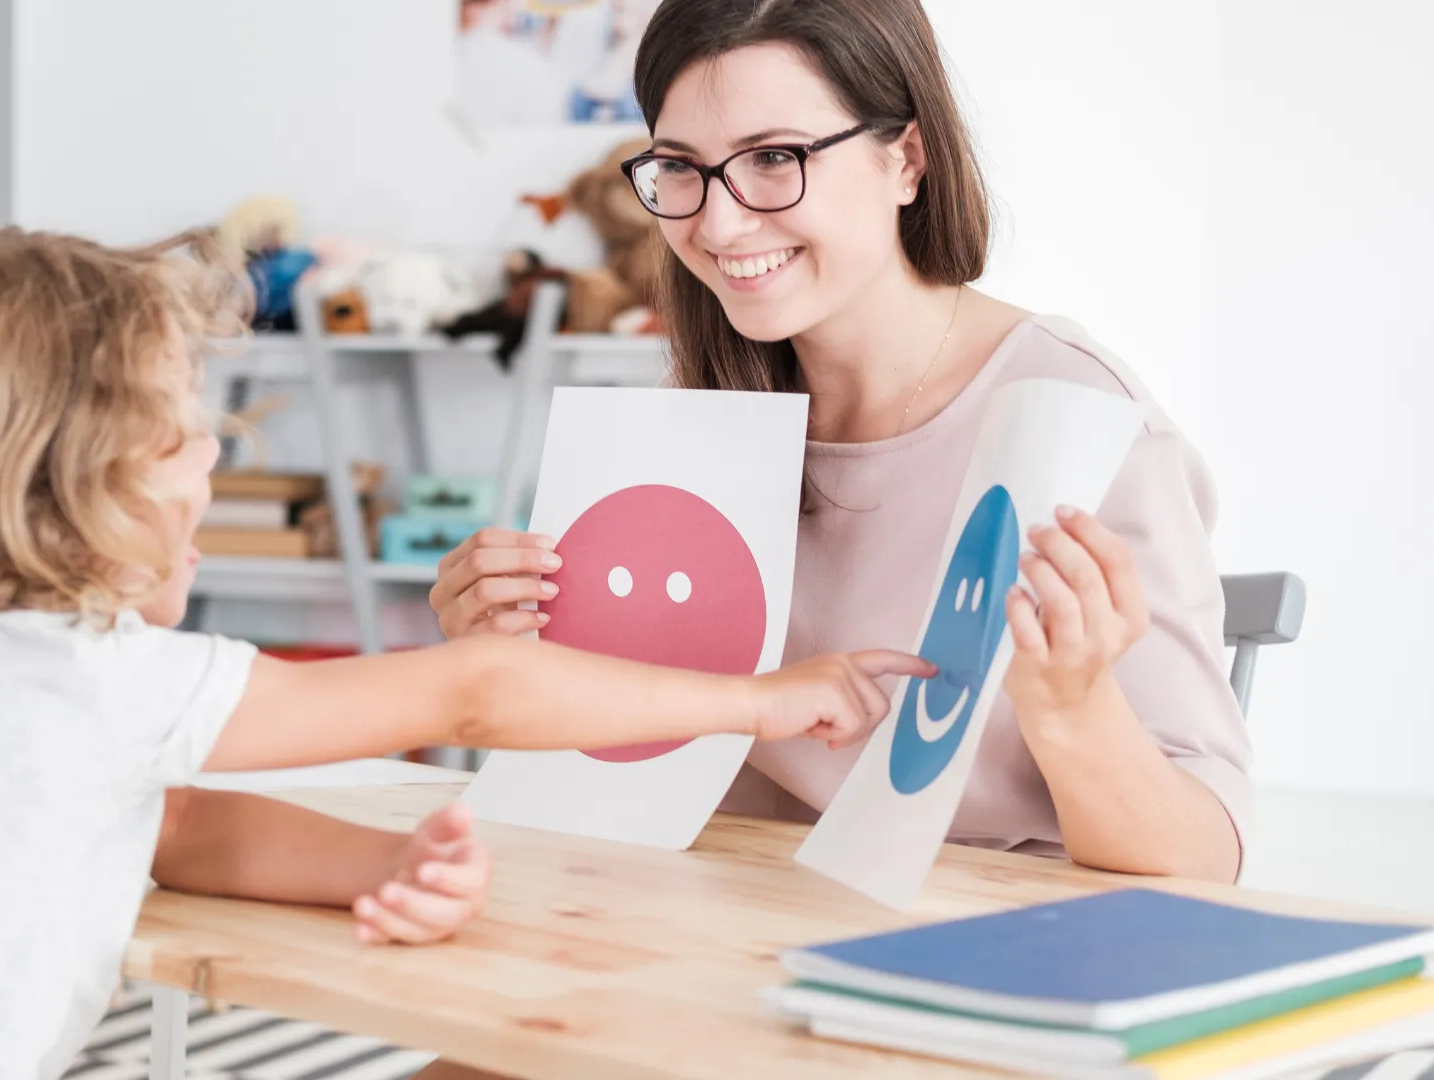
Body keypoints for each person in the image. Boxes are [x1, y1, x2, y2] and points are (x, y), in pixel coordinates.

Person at [0, 228, 930, 1079]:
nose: (215, 460)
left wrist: (380, 860)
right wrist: (763, 696)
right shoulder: (77, 677)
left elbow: (171, 829)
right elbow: (480, 684)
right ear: (63, 490)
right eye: (181, 439)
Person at [432, 0, 1250, 888]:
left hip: (977, 938)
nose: (718, 224)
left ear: (906, 158)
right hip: (725, 920)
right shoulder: (698, 409)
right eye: (680, 168)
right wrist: (506, 641)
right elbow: (621, 757)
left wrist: (1072, 707)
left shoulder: (1075, 419)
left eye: (775, 158)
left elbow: (1203, 856)